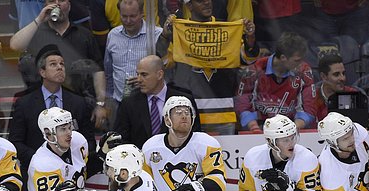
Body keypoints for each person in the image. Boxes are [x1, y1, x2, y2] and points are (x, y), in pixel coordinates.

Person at [162, 0, 259, 135]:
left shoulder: (226, 28)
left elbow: (247, 59)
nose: (207, 3)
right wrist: (165, 37)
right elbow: (164, 62)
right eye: (200, 1)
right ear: (189, 6)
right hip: (189, 117)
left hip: (223, 114)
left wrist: (250, 38)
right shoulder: (180, 32)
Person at [9, 0, 108, 130]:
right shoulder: (37, 33)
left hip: (79, 107)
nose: (56, 4)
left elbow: (98, 70)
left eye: (61, 0)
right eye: (51, 1)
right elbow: (15, 45)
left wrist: (100, 104)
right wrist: (40, 18)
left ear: (70, 5)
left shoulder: (84, 35)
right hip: (44, 109)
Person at [142, 96, 226, 191]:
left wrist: (196, 190)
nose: (184, 116)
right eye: (178, 112)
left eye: (187, 112)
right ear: (167, 119)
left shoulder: (206, 143)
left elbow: (218, 182)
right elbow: (145, 189)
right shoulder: (150, 148)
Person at [8, 44, 95, 172]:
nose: (60, 67)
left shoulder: (78, 102)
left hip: (71, 171)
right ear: (42, 72)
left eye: (62, 64)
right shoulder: (24, 103)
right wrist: (41, 159)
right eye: (53, 64)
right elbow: (15, 142)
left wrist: (74, 157)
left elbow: (89, 141)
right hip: (36, 172)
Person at [238, 114, 321, 191]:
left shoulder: (306, 159)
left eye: (293, 137)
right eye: (285, 140)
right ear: (270, 142)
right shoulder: (253, 158)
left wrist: (288, 187)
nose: (291, 143)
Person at [21, 107, 89, 191]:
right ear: (49, 134)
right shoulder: (42, 163)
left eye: (69, 127)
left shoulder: (78, 141)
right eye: (63, 129)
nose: (69, 133)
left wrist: (102, 155)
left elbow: (83, 170)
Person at [235, 32, 316, 132]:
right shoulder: (254, 70)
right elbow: (242, 104)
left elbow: (309, 107)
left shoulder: (304, 71)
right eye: (297, 60)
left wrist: (291, 129)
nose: (301, 64)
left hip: (291, 126)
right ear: (283, 58)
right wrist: (254, 129)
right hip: (259, 127)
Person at [114, 55, 198, 149]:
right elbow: (121, 139)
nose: (139, 79)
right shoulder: (129, 103)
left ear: (159, 75)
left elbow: (194, 136)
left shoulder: (184, 100)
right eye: (138, 74)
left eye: (144, 75)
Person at [103, 0, 164, 108]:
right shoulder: (113, 35)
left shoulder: (157, 35)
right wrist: (108, 98)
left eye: (132, 16)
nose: (128, 21)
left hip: (148, 104)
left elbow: (166, 71)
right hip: (119, 104)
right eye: (124, 16)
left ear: (142, 13)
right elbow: (108, 71)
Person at [314, 54, 364, 122]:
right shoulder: (311, 96)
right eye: (336, 74)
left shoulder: (354, 95)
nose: (342, 78)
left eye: (343, 73)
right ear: (323, 76)